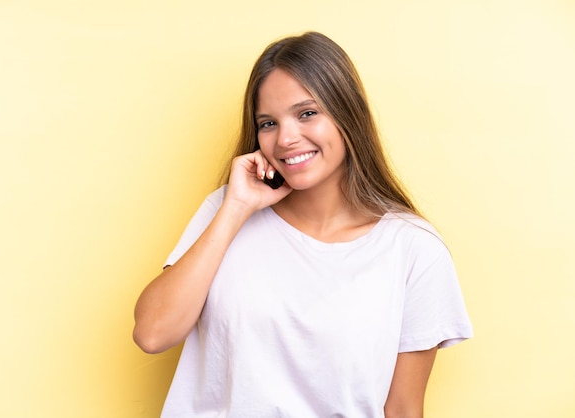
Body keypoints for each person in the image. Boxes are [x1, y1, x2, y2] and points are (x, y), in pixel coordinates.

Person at [133, 31, 473, 418]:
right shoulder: (226, 210)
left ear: (348, 115)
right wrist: (236, 208)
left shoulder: (413, 249)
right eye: (268, 123)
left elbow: (403, 408)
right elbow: (152, 333)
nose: (286, 139)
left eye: (307, 113)